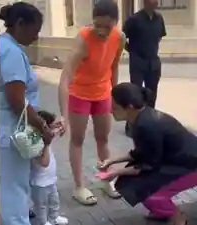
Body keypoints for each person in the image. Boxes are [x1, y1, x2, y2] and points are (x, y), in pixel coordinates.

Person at [0, 2, 65, 224]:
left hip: (10, 129)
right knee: (14, 195)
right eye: (35, 31)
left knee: (15, 189)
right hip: (12, 131)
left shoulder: (6, 47)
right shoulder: (11, 52)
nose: (36, 37)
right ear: (19, 24)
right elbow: (17, 100)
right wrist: (42, 127)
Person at [97, 82, 197, 225]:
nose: (111, 111)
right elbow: (142, 154)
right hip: (176, 160)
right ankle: (163, 211)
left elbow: (147, 165)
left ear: (129, 108)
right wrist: (112, 161)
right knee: (136, 184)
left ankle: (178, 218)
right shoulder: (142, 117)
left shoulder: (146, 125)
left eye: (115, 108)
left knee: (151, 195)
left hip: (191, 165)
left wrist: (115, 173)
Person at [57, 0, 125, 205]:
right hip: (79, 93)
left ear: (116, 22)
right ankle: (79, 186)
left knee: (103, 138)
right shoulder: (83, 39)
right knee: (77, 140)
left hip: (103, 92)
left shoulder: (119, 37)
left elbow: (113, 67)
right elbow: (65, 78)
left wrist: (115, 97)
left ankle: (106, 179)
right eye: (98, 25)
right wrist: (63, 115)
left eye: (107, 26)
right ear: (92, 21)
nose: (102, 31)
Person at [123, 0, 166, 136]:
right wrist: (132, 51)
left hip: (153, 61)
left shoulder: (159, 19)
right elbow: (122, 38)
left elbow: (159, 37)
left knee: (151, 94)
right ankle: (131, 125)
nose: (155, 2)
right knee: (135, 93)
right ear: (145, 2)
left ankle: (149, 124)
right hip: (138, 61)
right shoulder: (134, 19)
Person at [31, 110, 68, 225]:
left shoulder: (45, 136)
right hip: (39, 183)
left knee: (54, 200)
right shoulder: (35, 144)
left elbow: (53, 132)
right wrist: (47, 144)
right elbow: (45, 162)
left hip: (51, 180)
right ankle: (42, 222)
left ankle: (54, 217)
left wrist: (58, 127)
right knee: (40, 205)